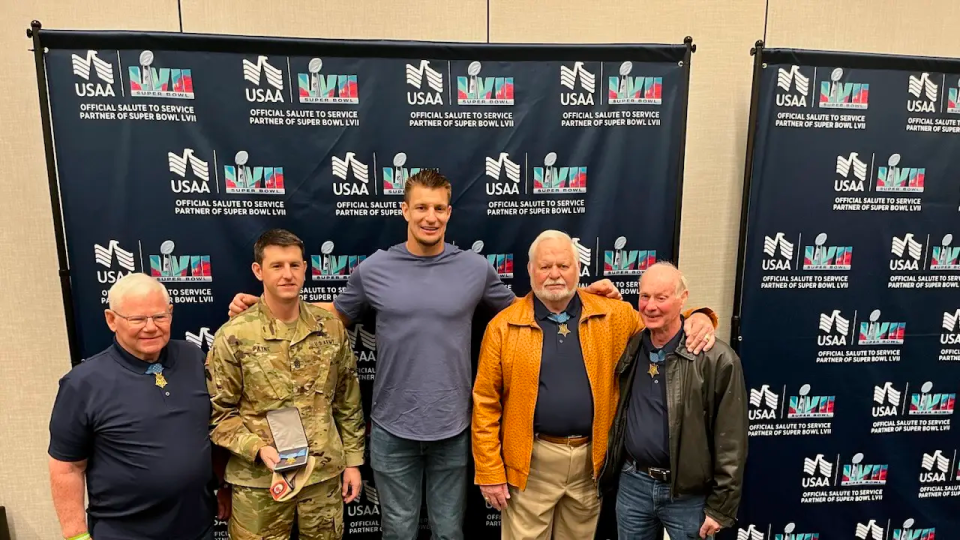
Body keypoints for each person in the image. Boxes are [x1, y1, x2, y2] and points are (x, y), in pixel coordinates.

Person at [227, 171, 622, 540]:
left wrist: (584, 297)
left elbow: (527, 309)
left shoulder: (475, 268)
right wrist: (264, 304)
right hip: (390, 428)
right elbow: (330, 316)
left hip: (453, 428)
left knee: (450, 531)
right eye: (421, 207)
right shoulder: (375, 269)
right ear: (405, 210)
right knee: (398, 531)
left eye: (438, 208)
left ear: (449, 212)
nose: (429, 217)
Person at [471, 231, 717, 539]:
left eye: (564, 265)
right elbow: (485, 402)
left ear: (578, 269)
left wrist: (699, 317)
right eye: (545, 266)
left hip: (591, 463)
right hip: (531, 464)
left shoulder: (611, 314)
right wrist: (490, 471)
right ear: (530, 269)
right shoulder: (503, 327)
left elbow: (663, 326)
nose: (555, 274)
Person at [206, 228, 365, 539]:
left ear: (306, 269)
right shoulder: (234, 335)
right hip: (259, 480)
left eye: (294, 265)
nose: (287, 274)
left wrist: (353, 462)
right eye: (277, 266)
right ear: (258, 270)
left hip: (321, 477)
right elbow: (219, 413)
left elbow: (348, 401)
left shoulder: (331, 330)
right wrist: (257, 448)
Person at [48, 273, 227, 540]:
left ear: (171, 313)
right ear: (111, 320)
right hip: (124, 534)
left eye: (159, 317)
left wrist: (224, 485)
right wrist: (75, 535)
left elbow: (212, 431)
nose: (151, 327)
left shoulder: (194, 358)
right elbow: (67, 467)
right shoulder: (82, 384)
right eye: (138, 319)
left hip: (198, 528)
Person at [600, 262, 748, 540]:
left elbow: (732, 440)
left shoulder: (717, 359)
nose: (650, 306)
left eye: (661, 297)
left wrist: (720, 507)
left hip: (688, 495)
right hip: (633, 484)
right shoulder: (630, 346)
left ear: (683, 299)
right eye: (645, 296)